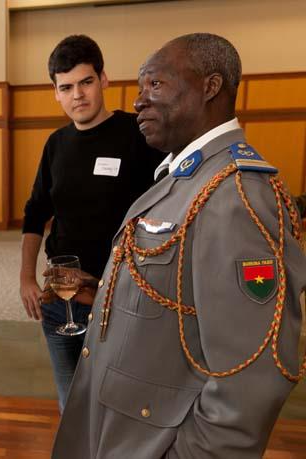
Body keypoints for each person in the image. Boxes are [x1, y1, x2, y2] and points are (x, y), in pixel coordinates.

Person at [52, 33, 306, 459]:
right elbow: (180, 298)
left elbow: (251, 380)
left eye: (155, 85)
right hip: (124, 425)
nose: (138, 101)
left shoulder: (235, 195)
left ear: (210, 87)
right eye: (138, 88)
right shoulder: (187, 176)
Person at [19, 34, 165, 412]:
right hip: (60, 298)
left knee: (114, 405)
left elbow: (165, 214)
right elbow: (35, 213)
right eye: (65, 87)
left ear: (104, 80)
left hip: (118, 298)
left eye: (85, 82)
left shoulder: (139, 135)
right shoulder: (56, 144)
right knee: (72, 405)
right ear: (55, 92)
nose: (77, 95)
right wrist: (25, 278)